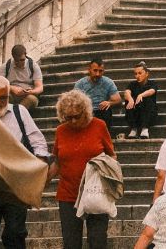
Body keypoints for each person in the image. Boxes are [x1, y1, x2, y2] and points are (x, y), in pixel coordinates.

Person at [0, 77, 50, 249]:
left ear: (9, 96)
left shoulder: (19, 112)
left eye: (3, 97)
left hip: (15, 186)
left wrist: (38, 166)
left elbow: (38, 143)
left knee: (16, 235)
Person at [51, 89, 116, 249]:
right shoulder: (60, 131)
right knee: (71, 244)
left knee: (98, 242)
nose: (72, 121)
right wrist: (40, 183)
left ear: (85, 111)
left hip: (96, 193)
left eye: (77, 116)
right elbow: (57, 162)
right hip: (68, 195)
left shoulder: (99, 126)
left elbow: (112, 156)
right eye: (68, 117)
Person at [74, 58, 122, 132]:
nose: (97, 74)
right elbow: (74, 102)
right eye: (95, 70)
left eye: (100, 71)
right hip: (87, 111)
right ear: (89, 69)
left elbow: (118, 99)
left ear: (103, 71)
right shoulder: (80, 84)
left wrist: (109, 102)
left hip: (101, 110)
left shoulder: (108, 82)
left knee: (107, 111)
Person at [122, 61, 159, 140]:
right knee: (128, 100)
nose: (137, 76)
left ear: (146, 73)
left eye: (140, 73)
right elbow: (126, 92)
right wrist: (130, 99)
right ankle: (133, 129)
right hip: (137, 115)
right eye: (135, 74)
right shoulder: (132, 84)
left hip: (149, 115)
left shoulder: (152, 83)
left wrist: (141, 95)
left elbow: (152, 91)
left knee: (146, 98)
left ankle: (145, 129)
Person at [2, 44, 43, 109]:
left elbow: (39, 87)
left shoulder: (33, 66)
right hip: (11, 95)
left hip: (28, 96)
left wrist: (31, 91)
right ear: (13, 57)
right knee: (3, 97)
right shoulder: (6, 66)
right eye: (16, 60)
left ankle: (17, 114)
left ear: (25, 55)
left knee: (31, 99)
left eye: (22, 60)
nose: (19, 63)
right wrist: (12, 88)